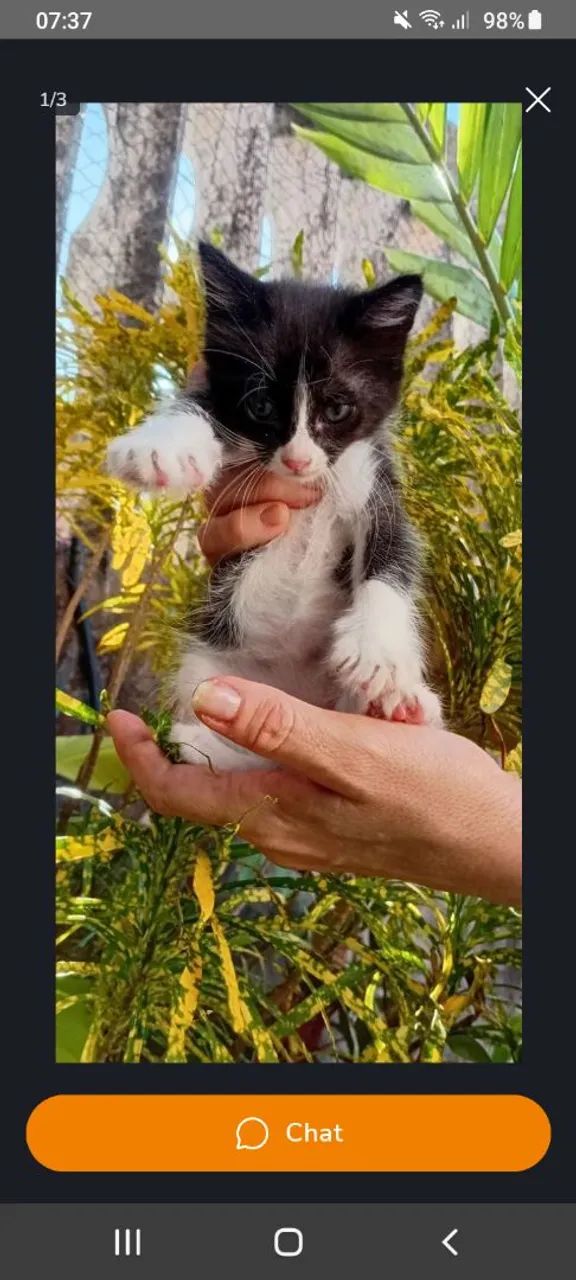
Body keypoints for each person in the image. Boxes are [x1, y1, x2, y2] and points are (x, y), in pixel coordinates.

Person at [108, 468, 521, 907]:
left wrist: (486, 827)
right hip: (272, 666)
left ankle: (362, 717)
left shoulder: (368, 478)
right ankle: (356, 719)